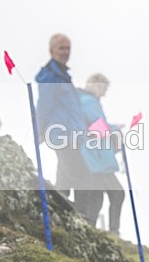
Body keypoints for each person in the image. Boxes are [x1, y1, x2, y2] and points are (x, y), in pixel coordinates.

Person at [35, 33, 88, 200]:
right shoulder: (51, 76)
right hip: (62, 134)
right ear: (51, 51)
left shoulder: (64, 76)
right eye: (61, 48)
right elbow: (44, 105)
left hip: (74, 133)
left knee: (65, 175)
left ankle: (59, 207)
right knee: (80, 175)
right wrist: (39, 130)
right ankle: (82, 215)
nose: (65, 52)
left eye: (68, 48)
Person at [74, 73, 124, 236]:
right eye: (104, 89)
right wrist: (115, 128)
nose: (105, 93)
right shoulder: (89, 102)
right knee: (117, 193)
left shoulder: (87, 101)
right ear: (97, 86)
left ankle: (91, 231)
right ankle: (113, 231)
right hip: (97, 158)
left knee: (97, 196)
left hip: (94, 157)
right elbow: (97, 128)